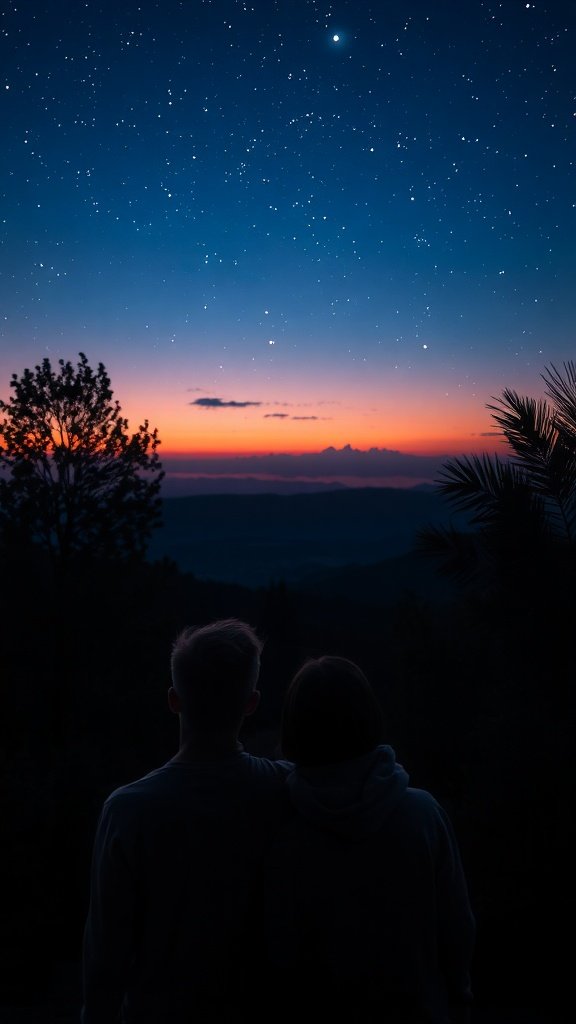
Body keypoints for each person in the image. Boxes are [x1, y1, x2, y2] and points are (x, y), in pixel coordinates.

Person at [81, 618, 293, 1024]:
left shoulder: (128, 810)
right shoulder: (286, 790)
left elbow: (104, 957)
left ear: (173, 700)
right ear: (251, 702)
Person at [262, 655, 476, 1024]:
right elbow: (458, 927)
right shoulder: (423, 815)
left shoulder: (285, 837)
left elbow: (278, 955)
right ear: (369, 716)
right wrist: (460, 996)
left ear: (294, 728)